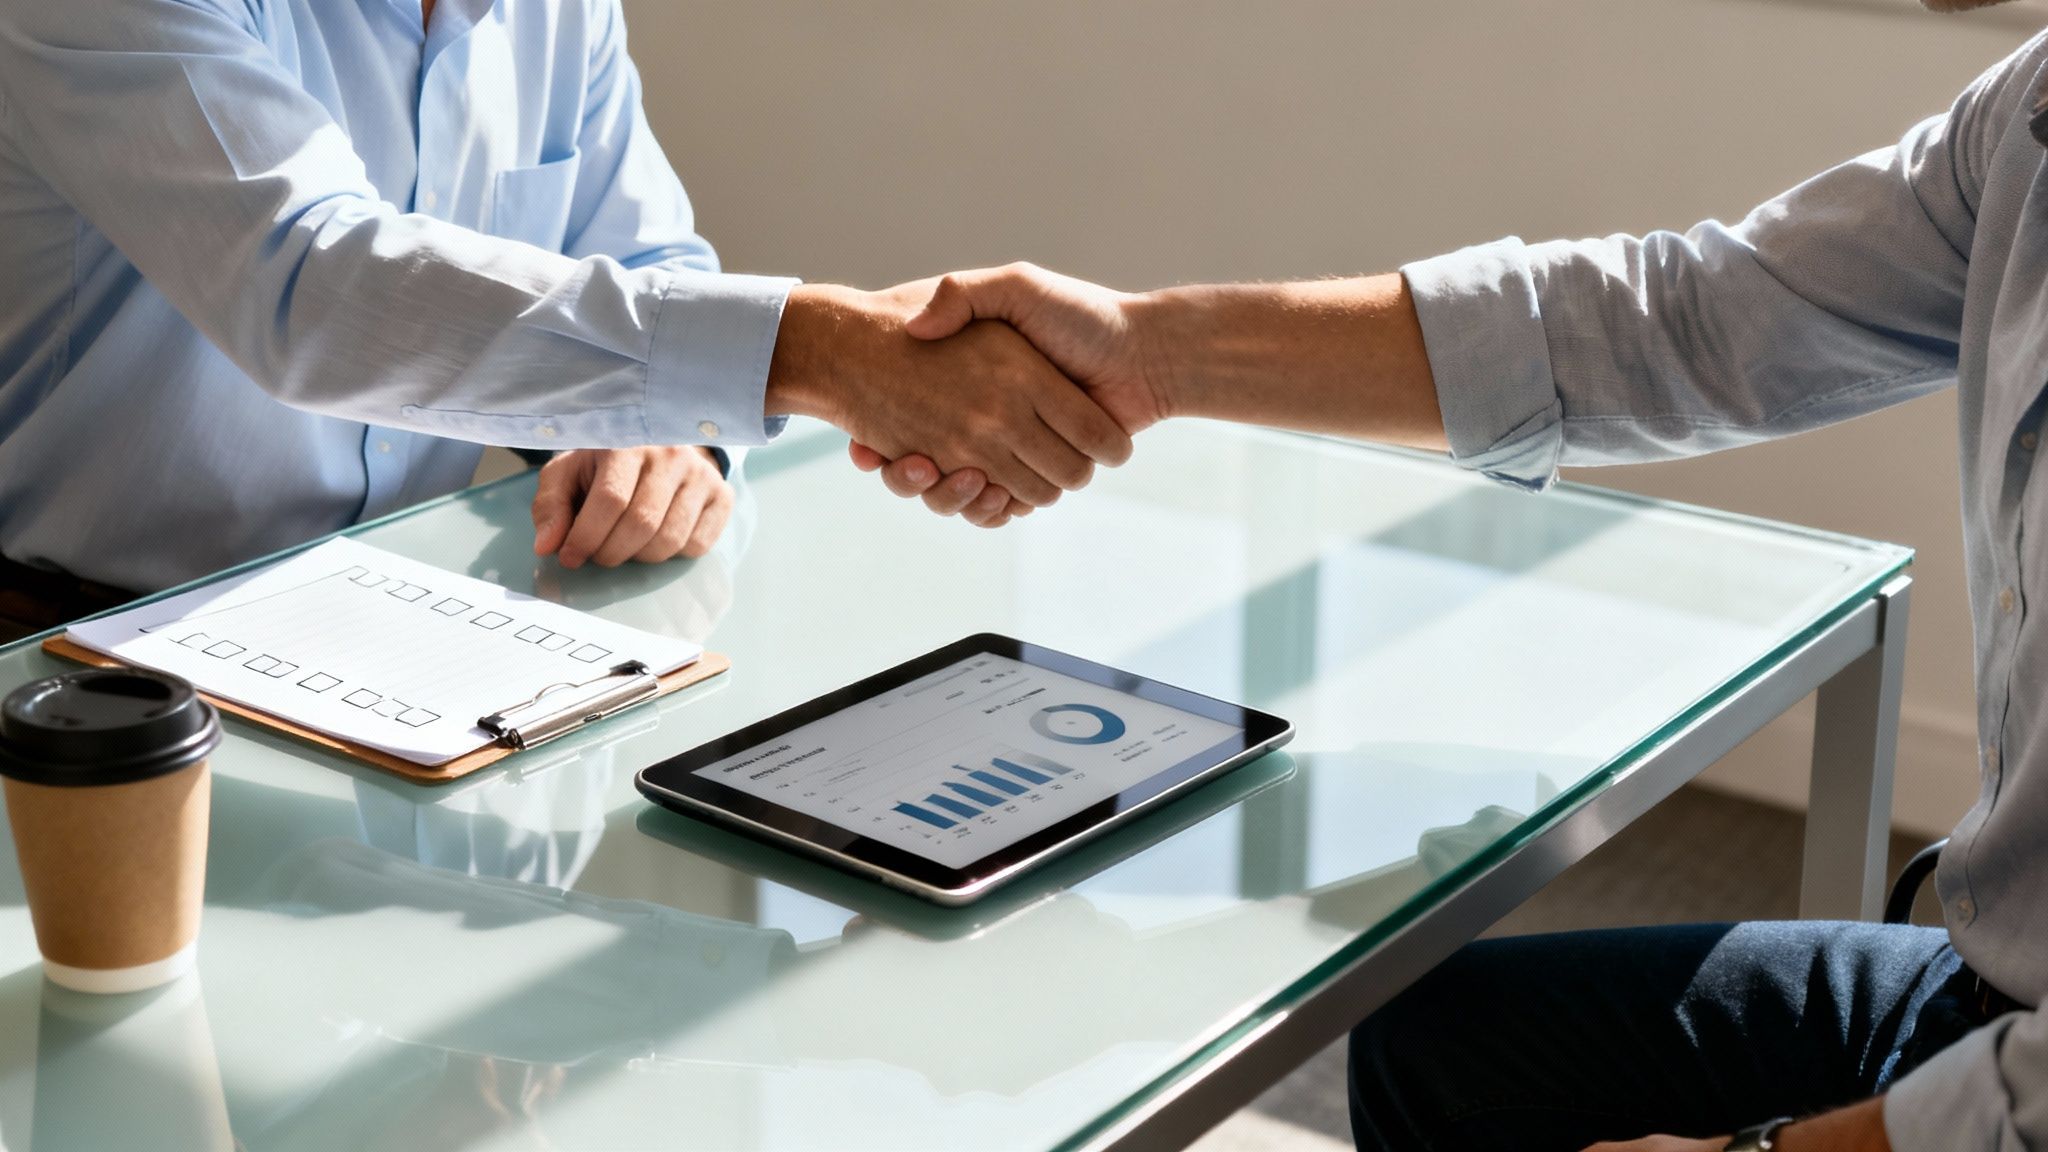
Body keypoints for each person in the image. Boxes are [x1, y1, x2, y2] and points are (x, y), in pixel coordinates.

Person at [858, 12, 2048, 1152]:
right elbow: (1685, 320)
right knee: (1431, 1050)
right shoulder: (2025, 110)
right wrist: (1145, 352)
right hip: (1996, 967)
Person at [0, 0, 1130, 642]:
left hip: (392, 630)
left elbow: (644, 257)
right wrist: (816, 350)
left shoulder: (556, 10)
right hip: (73, 653)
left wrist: (673, 438)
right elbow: (316, 289)